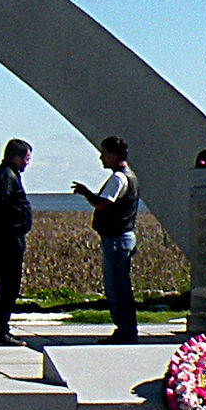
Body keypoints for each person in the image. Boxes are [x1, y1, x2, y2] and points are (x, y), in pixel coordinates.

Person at [69, 135, 141, 344]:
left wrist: (86, 193)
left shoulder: (119, 178)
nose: (101, 157)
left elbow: (102, 203)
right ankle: (126, 329)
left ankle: (125, 330)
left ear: (114, 155)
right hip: (122, 237)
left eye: (104, 153)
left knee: (117, 287)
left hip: (117, 238)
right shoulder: (130, 176)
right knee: (120, 285)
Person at [0, 139, 34, 346]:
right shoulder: (5, 176)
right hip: (8, 237)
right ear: (16, 157)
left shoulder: (7, 175)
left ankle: (2, 329)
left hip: (9, 235)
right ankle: (1, 331)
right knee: (7, 285)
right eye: (26, 159)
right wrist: (0, 228)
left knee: (9, 284)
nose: (27, 163)